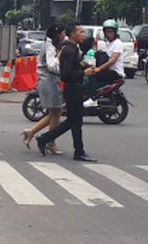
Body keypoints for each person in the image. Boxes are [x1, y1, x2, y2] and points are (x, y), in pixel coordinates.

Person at [37, 23, 101, 162]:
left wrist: (83, 66)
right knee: (75, 121)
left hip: (75, 88)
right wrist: (84, 72)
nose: (83, 35)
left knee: (74, 121)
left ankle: (46, 139)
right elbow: (65, 74)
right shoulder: (69, 50)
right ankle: (77, 151)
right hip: (72, 89)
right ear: (72, 34)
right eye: (81, 32)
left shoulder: (72, 49)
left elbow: (71, 68)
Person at [22, 23, 66, 154]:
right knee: (56, 113)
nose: (65, 35)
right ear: (57, 34)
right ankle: (50, 142)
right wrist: (59, 59)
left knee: (55, 113)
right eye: (63, 33)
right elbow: (52, 66)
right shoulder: (50, 47)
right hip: (49, 82)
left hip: (49, 82)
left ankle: (32, 132)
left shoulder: (50, 45)